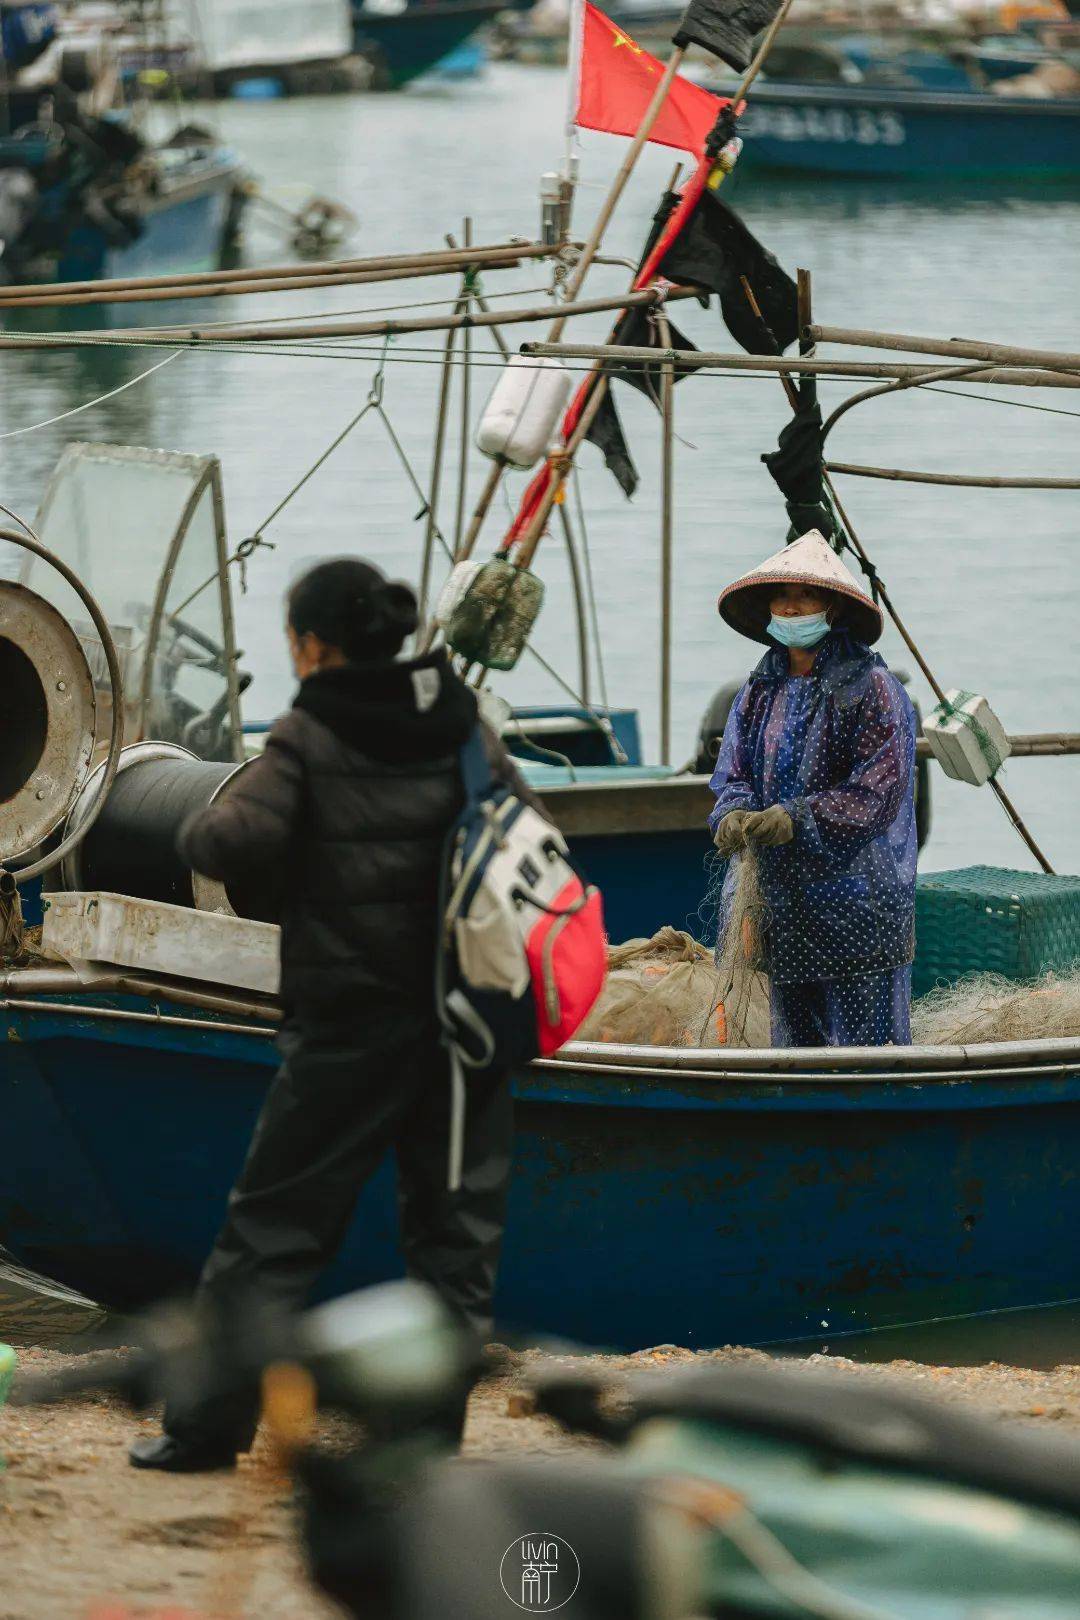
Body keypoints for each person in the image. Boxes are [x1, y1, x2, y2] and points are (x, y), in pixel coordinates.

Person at [130, 557, 541, 1473]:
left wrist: (197, 821)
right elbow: (524, 827)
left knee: (272, 1233)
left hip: (351, 1026)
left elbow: (226, 840)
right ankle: (427, 1445)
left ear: (313, 645)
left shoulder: (310, 730)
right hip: (467, 1026)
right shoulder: (461, 717)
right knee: (453, 1244)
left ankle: (204, 1432)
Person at [708, 530, 916, 1049]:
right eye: (782, 597)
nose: (792, 607)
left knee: (869, 1049)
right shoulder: (759, 690)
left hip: (859, 903)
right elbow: (733, 770)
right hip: (784, 902)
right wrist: (733, 811)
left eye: (806, 597)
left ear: (834, 609)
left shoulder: (874, 688)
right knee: (796, 1046)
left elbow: (878, 791)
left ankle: (874, 1128)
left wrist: (798, 817)